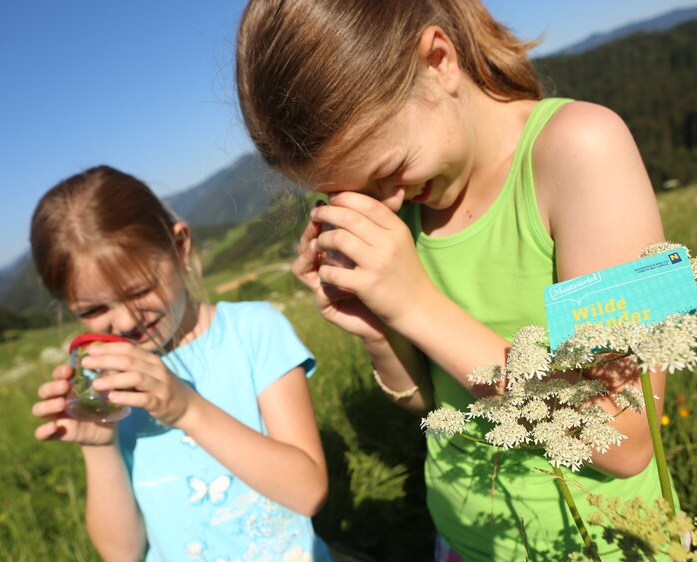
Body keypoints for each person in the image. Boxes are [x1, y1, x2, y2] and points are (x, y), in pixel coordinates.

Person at [235, 1, 671, 560]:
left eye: (388, 172)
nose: (384, 205)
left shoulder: (585, 146)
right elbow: (431, 404)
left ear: (439, 61)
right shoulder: (414, 204)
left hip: (601, 542)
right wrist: (376, 329)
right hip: (461, 538)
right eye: (353, 195)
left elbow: (628, 436)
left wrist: (415, 306)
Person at [30, 165, 332, 562]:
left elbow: (308, 491)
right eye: (93, 308)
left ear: (181, 248)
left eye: (139, 290)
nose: (123, 321)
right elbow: (121, 553)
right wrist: (99, 446)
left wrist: (187, 409)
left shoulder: (255, 332)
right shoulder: (106, 380)